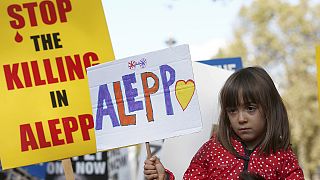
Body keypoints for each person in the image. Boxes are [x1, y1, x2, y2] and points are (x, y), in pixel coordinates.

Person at [144, 66, 304, 179]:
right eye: (233, 110)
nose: (241, 119)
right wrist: (164, 177)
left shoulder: (283, 157)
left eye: (250, 108)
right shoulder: (211, 151)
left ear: (270, 109)